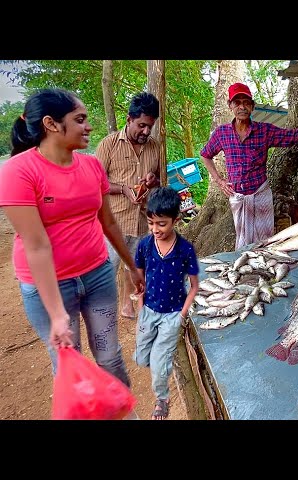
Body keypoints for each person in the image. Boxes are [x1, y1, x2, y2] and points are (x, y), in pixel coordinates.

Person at [0, 88, 145, 389]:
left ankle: (122, 409)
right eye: (80, 120)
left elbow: (108, 222)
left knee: (110, 357)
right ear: (52, 124)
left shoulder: (91, 166)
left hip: (98, 274)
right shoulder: (18, 172)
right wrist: (56, 315)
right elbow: (36, 245)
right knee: (71, 364)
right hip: (49, 287)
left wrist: (132, 266)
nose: (88, 127)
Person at [199, 82, 298, 249]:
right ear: (230, 105)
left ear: (252, 106)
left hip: (261, 194)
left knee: (265, 242)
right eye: (237, 102)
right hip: (238, 198)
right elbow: (205, 155)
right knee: (243, 244)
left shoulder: (264, 131)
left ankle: (264, 272)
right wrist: (219, 180)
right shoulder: (222, 133)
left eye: (246, 102)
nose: (242, 106)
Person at [133, 186, 200, 420]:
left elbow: (194, 287)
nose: (155, 229)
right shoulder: (144, 245)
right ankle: (159, 355)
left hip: (173, 314)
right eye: (151, 223)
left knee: (159, 362)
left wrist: (181, 315)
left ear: (176, 220)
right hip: (148, 311)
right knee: (142, 358)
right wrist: (141, 307)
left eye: (162, 224)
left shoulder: (185, 250)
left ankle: (162, 398)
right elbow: (139, 279)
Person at [95, 92, 161, 319]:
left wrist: (153, 181)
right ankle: (102, 313)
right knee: (106, 269)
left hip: (142, 222)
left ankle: (126, 304)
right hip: (114, 221)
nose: (145, 132)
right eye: (141, 125)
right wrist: (123, 189)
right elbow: (96, 182)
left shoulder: (155, 147)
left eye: (149, 127)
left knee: (133, 266)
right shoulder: (109, 145)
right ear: (129, 119)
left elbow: (160, 180)